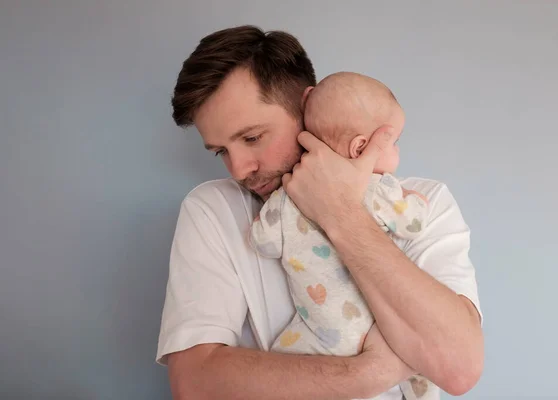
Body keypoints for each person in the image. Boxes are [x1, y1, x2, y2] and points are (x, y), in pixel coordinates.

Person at [157, 25, 484, 400]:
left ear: (307, 106)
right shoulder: (213, 211)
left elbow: (458, 370)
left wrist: (339, 212)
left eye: (251, 138)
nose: (237, 169)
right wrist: (369, 371)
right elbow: (194, 385)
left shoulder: (421, 203)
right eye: (220, 151)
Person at [248, 71, 436, 400]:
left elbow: (262, 241)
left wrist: (271, 207)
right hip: (374, 331)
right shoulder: (378, 188)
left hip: (318, 330)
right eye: (395, 142)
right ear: (362, 146)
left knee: (278, 369)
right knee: (421, 363)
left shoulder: (289, 195)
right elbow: (413, 224)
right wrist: (414, 201)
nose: (397, 152)